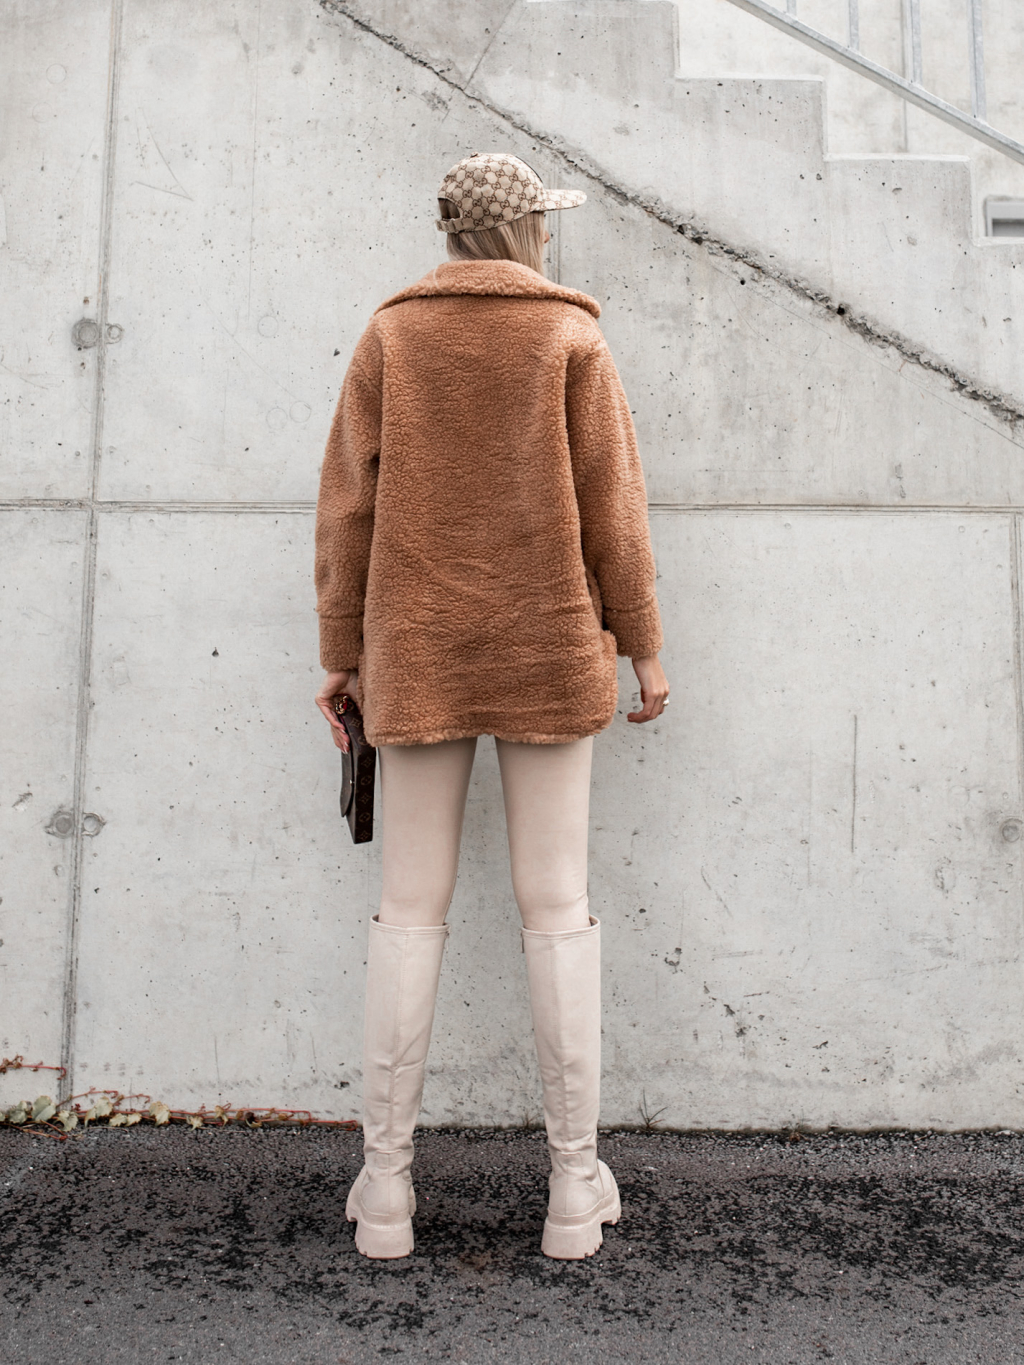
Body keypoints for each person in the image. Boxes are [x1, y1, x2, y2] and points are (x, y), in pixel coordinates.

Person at [313, 151, 669, 1261]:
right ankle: (572, 1189)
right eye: (543, 224)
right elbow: (614, 508)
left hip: (415, 648)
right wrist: (643, 645)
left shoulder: (392, 335)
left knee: (407, 909)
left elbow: (346, 509)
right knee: (556, 907)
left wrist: (340, 653)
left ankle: (385, 1192)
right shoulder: (568, 335)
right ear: (525, 233)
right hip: (548, 643)